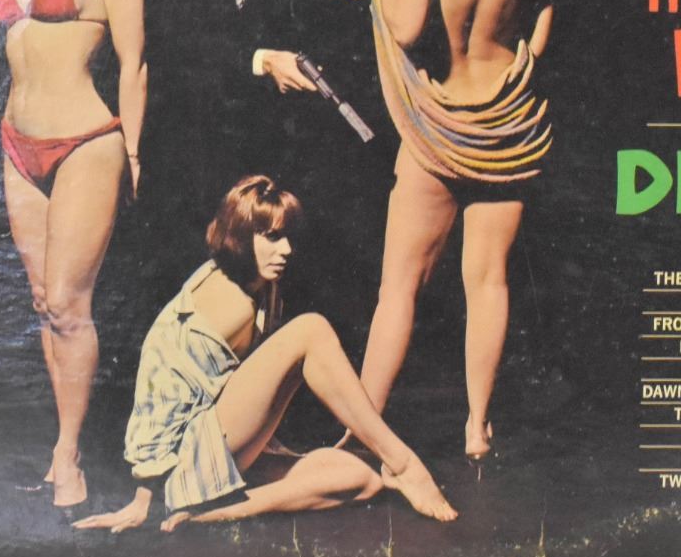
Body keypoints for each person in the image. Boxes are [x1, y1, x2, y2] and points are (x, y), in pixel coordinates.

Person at [330, 0, 554, 461]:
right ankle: (477, 429)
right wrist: (513, 69)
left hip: (437, 129)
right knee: (489, 282)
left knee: (398, 288)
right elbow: (539, 36)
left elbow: (406, 29)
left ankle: (362, 432)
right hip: (507, 131)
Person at [74, 176, 456, 531]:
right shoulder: (230, 303)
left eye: (287, 236)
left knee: (363, 478)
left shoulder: (259, 285)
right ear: (240, 236)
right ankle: (403, 463)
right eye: (271, 237)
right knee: (311, 330)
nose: (286, 249)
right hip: (182, 462)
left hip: (212, 451)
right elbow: (159, 397)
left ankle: (215, 512)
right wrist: (143, 498)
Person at [0, 0, 145, 509]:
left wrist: (134, 152)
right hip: (18, 145)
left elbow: (135, 63)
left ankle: (69, 453)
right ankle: (65, 442)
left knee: (67, 304)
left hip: (86, 141)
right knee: (43, 306)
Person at [132, 0, 320, 251]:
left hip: (253, 133)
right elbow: (176, 40)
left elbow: (279, 10)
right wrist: (263, 60)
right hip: (186, 136)